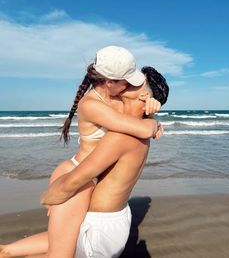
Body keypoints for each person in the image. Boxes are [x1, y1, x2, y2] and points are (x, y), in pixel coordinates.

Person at [0, 46, 162, 258]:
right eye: (127, 80)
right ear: (109, 81)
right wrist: (153, 124)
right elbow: (139, 128)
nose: (130, 84)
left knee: (65, 239)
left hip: (91, 176)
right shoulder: (91, 104)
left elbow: (135, 117)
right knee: (61, 254)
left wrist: (151, 108)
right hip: (79, 175)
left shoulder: (118, 98)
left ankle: (6, 251)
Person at [40, 66, 169, 258]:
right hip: (110, 215)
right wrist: (152, 119)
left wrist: (46, 199)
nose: (127, 82)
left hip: (100, 224)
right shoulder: (134, 126)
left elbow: (72, 182)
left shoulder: (122, 135)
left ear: (143, 95)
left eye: (135, 82)